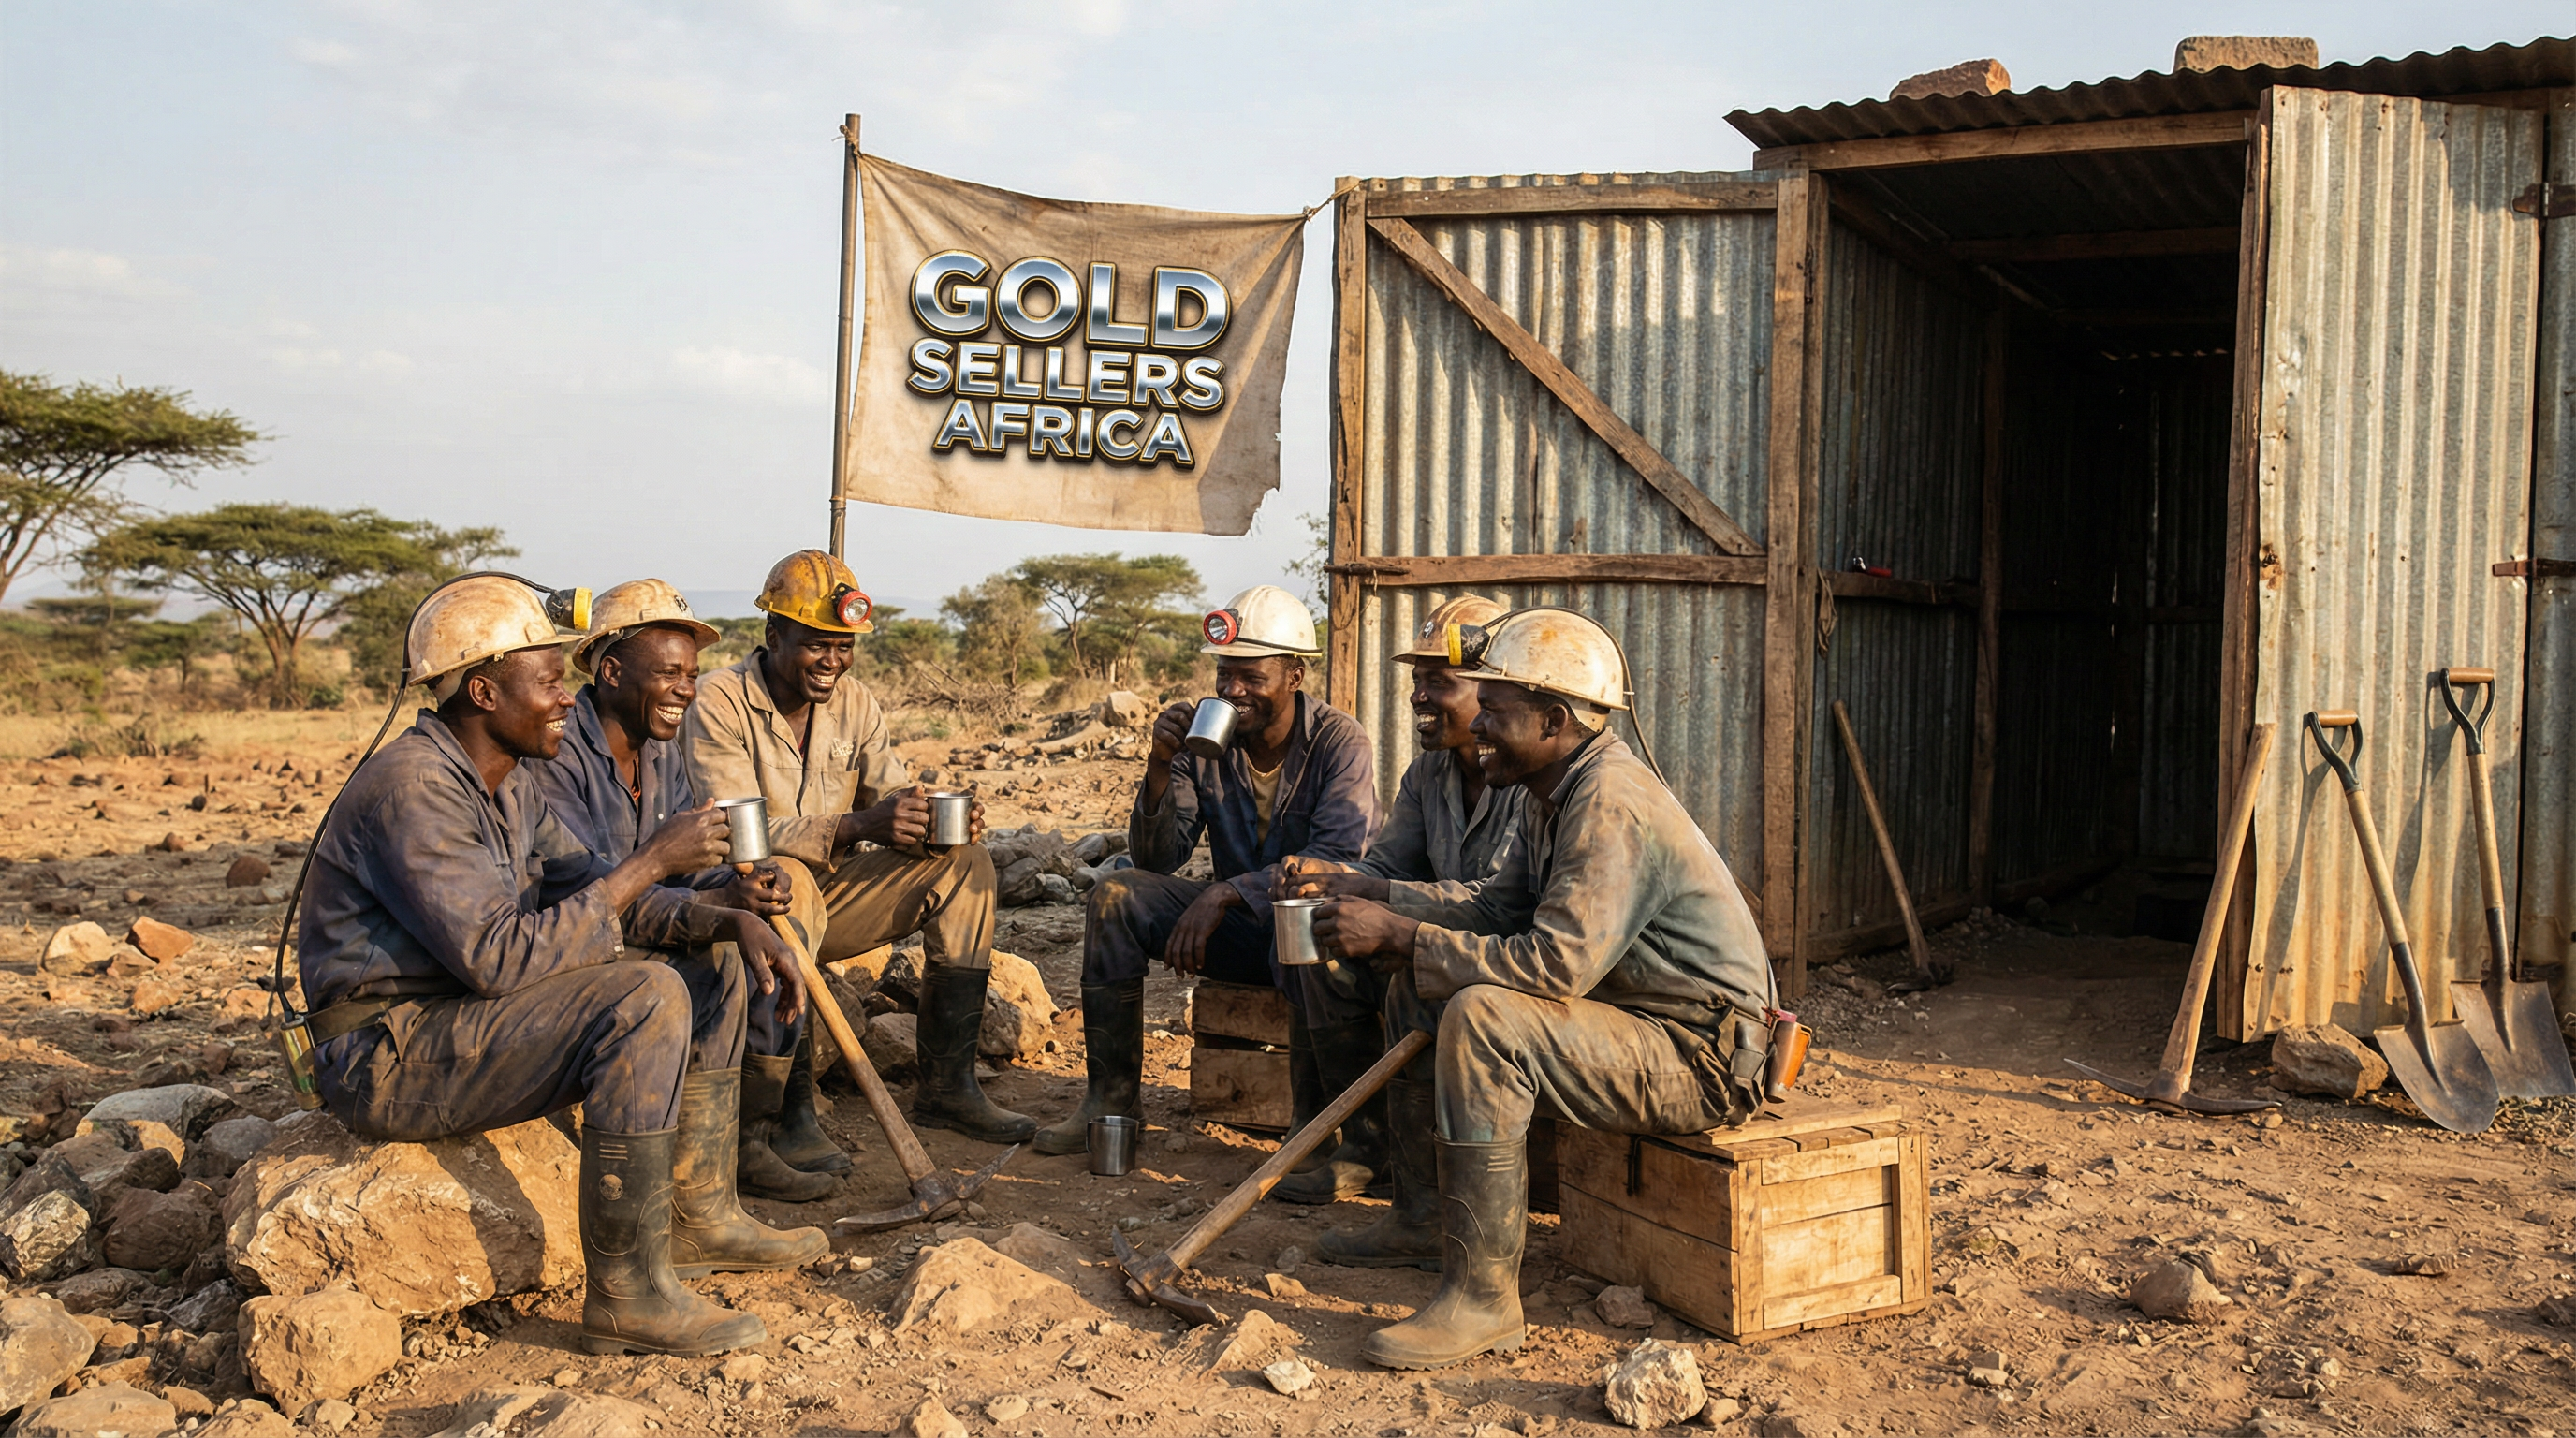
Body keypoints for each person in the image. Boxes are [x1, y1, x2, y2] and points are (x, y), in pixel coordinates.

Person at [296, 575, 818, 1357]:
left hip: (450, 1020)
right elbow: (501, 959)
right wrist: (650, 862)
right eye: (546, 682)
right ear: (481, 689)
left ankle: (699, 1219)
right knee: (642, 995)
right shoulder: (416, 788)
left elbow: (603, 899)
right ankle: (628, 1297)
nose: (565, 699)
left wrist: (727, 917)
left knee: (705, 961)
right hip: (383, 1052)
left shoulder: (509, 785)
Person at [1303, 607, 1775, 1370]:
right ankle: (1424, 1220)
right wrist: (1384, 901)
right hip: (1637, 1027)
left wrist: (1406, 935)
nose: (1477, 723)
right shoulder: (1545, 789)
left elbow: (1555, 968)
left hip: (1702, 1057)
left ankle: (1484, 1300)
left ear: (1555, 719)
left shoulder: (1608, 801)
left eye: (1495, 709)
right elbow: (1496, 911)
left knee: (1485, 1016)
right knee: (1418, 986)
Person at [681, 550, 1029, 1146]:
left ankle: (948, 1087)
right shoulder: (718, 700)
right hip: (739, 904)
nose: (833, 661)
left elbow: (891, 789)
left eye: (844, 647)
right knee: (784, 872)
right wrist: (859, 823)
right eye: (817, 644)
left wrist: (931, 820)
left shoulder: (855, 703)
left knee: (965, 864)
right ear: (774, 635)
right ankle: (784, 1113)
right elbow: (738, 839)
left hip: (827, 898)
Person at [1033, 583, 1377, 1160]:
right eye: (1225, 674)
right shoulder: (1205, 742)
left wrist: (1227, 892)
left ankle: (1317, 1129)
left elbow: (1332, 861)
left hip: (1307, 935)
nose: (1232, 690)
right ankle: (1110, 1103)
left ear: (1295, 675)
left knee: (1312, 925)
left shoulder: (1340, 742)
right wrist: (1161, 766)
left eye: (1251, 676)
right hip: (1246, 933)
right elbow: (1157, 860)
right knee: (1118, 896)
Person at [532, 578, 838, 1203]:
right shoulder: (557, 756)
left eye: (692, 674)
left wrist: (737, 887)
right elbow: (593, 889)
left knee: (776, 932)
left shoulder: (660, 750)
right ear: (610, 671)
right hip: (574, 943)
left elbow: (685, 865)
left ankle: (742, 1144)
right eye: (670, 673)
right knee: (725, 955)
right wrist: (717, 916)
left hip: (646, 922)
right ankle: (697, 1182)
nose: (686, 690)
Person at [1281, 594, 1526, 1255]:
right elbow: (1388, 863)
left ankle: (1429, 1204)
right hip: (1443, 944)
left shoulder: (1530, 777)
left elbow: (1493, 901)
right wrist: (1331, 881)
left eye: (1437, 682)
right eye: (1416, 680)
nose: (1418, 696)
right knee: (1325, 942)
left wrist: (1379, 897)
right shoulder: (1428, 773)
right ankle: (1367, 1146)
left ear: (1494, 692)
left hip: (1507, 965)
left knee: (1407, 975)